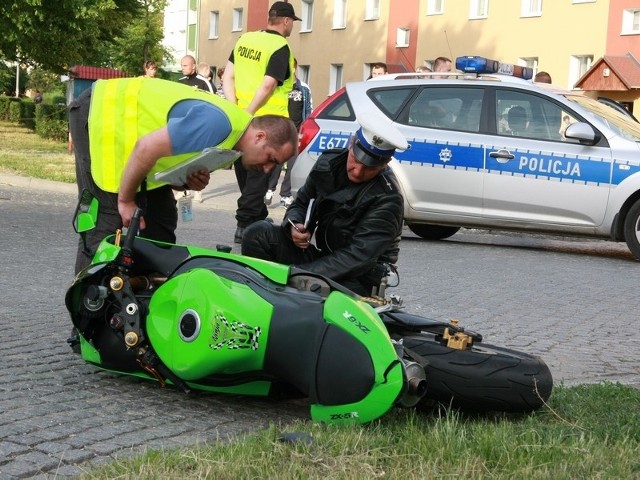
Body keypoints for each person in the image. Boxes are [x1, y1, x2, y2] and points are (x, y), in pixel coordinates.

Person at [68, 77, 297, 273]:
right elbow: (145, 148)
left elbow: (168, 158)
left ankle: (141, 302)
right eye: (271, 159)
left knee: (160, 221)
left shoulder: (236, 145)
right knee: (105, 223)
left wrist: (184, 181)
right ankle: (88, 319)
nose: (268, 169)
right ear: (260, 137)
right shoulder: (218, 125)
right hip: (102, 114)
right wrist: (126, 200)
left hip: (134, 144)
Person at [242, 113, 408, 297]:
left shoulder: (387, 197)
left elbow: (357, 257)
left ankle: (282, 297)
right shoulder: (329, 162)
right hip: (324, 258)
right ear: (351, 144)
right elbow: (302, 203)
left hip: (358, 277)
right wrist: (295, 225)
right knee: (257, 234)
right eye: (357, 160)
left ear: (384, 164)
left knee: (304, 285)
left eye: (370, 167)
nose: (358, 171)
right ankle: (259, 300)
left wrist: (296, 274)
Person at [222, 1, 299, 243]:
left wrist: (236, 110)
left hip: (241, 119)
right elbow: (268, 84)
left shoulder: (245, 39)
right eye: (292, 23)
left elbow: (227, 75)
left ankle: (257, 218)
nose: (292, 28)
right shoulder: (280, 45)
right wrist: (250, 112)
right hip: (268, 123)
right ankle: (245, 224)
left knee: (246, 173)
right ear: (286, 21)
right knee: (259, 173)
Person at [265, 58, 313, 208]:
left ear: (294, 68)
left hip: (296, 133)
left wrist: (305, 130)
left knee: (293, 165)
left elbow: (308, 110)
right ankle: (269, 189)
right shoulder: (278, 86)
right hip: (279, 132)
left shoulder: (303, 88)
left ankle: (286, 195)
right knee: (276, 163)